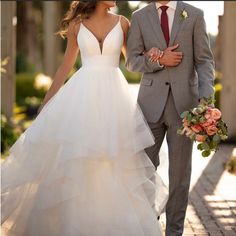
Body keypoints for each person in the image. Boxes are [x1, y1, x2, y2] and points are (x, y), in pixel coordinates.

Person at [1, 1, 168, 236]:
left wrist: (151, 55)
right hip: (82, 94)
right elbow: (65, 66)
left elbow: (132, 62)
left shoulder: (123, 23)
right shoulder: (77, 25)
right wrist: (46, 103)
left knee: (114, 158)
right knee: (78, 157)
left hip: (114, 97)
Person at [126, 1, 215, 235]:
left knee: (179, 175)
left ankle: (174, 232)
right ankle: (147, 225)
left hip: (185, 109)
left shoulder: (195, 15)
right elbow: (131, 61)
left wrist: (205, 102)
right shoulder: (139, 17)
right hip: (148, 107)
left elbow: (204, 61)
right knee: (142, 171)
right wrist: (157, 60)